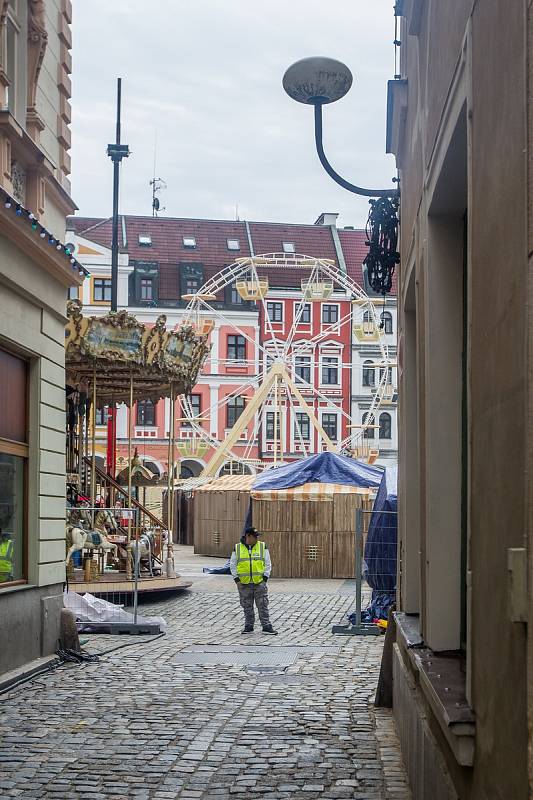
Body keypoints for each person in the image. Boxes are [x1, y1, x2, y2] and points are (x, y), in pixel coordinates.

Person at [230, 526, 277, 635]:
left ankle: (266, 626)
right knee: (247, 605)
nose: (257, 539)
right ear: (248, 536)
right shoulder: (237, 548)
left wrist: (264, 579)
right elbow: (232, 565)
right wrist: (237, 580)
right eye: (255, 536)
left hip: (259, 582)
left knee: (263, 605)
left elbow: (268, 563)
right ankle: (249, 626)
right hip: (244, 583)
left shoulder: (262, 546)